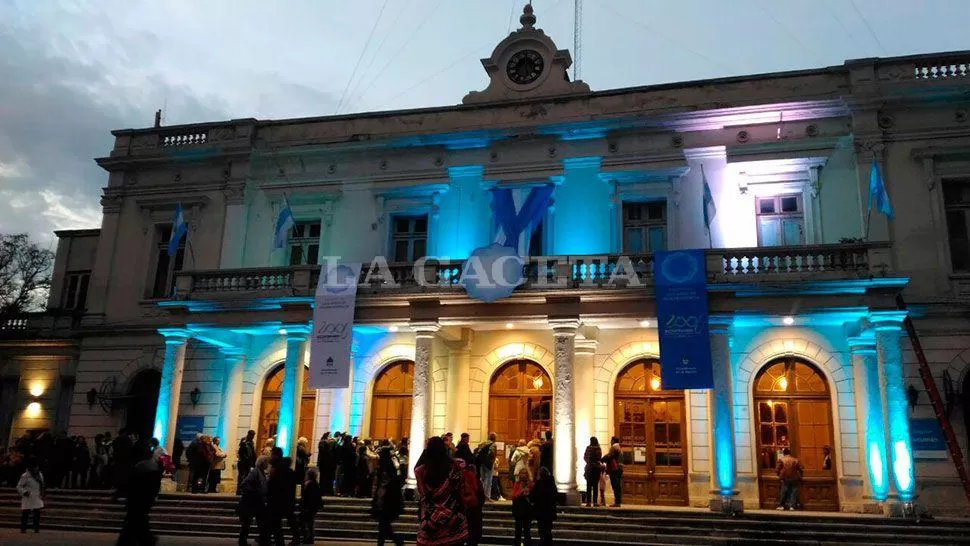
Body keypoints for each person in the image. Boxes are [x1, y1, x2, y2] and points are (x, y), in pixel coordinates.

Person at [415, 436, 469, 546]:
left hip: (431, 521)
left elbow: (423, 494)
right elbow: (460, 490)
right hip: (452, 519)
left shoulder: (421, 471)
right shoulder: (454, 468)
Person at [116, 442, 162, 546]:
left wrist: (119, 494)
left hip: (136, 500)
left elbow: (128, 483)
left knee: (134, 522)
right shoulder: (151, 467)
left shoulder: (138, 467)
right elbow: (155, 486)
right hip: (143, 500)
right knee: (137, 521)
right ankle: (147, 539)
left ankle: (146, 539)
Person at [372, 447, 405, 546]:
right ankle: (394, 541)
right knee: (383, 525)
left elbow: (384, 483)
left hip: (387, 500)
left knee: (383, 524)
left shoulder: (385, 467)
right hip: (389, 499)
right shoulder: (390, 465)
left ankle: (396, 540)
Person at [268, 449, 300, 545]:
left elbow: (273, 485)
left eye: (272, 454)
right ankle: (296, 537)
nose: (270, 457)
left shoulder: (276, 469)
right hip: (288, 499)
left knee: (276, 522)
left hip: (278, 499)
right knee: (290, 519)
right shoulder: (289, 471)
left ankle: (279, 541)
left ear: (276, 456)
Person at [238, 455, 270, 546]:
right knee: (247, 523)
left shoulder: (261, 472)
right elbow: (245, 484)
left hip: (257, 501)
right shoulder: (255, 472)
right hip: (252, 502)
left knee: (258, 522)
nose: (268, 465)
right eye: (267, 463)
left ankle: (261, 539)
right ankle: (243, 541)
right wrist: (256, 492)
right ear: (263, 463)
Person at [530, 467, 557, 546]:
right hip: (549, 511)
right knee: (548, 530)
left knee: (542, 530)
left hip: (541, 511)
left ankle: (543, 543)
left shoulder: (539, 484)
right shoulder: (551, 484)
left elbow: (534, 496)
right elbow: (555, 496)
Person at [17, 457, 44, 534]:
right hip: (28, 496)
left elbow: (42, 484)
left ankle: (36, 528)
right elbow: (19, 486)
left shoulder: (40, 475)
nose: (36, 468)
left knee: (37, 513)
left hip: (37, 496)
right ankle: (23, 528)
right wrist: (24, 492)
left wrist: (42, 493)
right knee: (25, 514)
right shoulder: (25, 475)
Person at [300, 467, 323, 544]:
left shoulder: (310, 484)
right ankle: (309, 537)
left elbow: (308, 496)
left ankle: (308, 537)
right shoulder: (315, 484)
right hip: (312, 506)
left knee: (308, 523)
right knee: (310, 522)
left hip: (309, 506)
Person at [511, 469, 533, 546]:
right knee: (518, 530)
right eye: (521, 473)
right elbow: (514, 495)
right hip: (519, 509)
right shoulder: (517, 484)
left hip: (527, 510)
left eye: (525, 473)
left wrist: (527, 492)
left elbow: (533, 496)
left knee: (527, 530)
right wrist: (521, 492)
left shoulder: (531, 484)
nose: (523, 475)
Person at [473, 433, 497, 500]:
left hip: (481, 463)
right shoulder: (493, 444)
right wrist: (493, 462)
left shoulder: (483, 443)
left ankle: (481, 495)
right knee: (489, 480)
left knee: (482, 479)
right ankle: (487, 496)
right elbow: (493, 454)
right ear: (495, 438)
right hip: (489, 464)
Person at [583, 437, 602, 507]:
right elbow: (599, 457)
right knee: (595, 486)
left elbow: (585, 457)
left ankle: (588, 502)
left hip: (589, 468)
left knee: (588, 485)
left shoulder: (588, 448)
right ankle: (595, 502)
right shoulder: (598, 448)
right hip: (596, 468)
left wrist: (589, 462)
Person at [605, 436, 623, 507]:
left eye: (611, 440)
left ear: (613, 441)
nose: (610, 442)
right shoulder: (619, 447)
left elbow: (609, 456)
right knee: (618, 485)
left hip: (615, 469)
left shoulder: (614, 447)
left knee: (615, 485)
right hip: (620, 468)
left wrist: (602, 459)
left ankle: (617, 502)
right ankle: (618, 501)